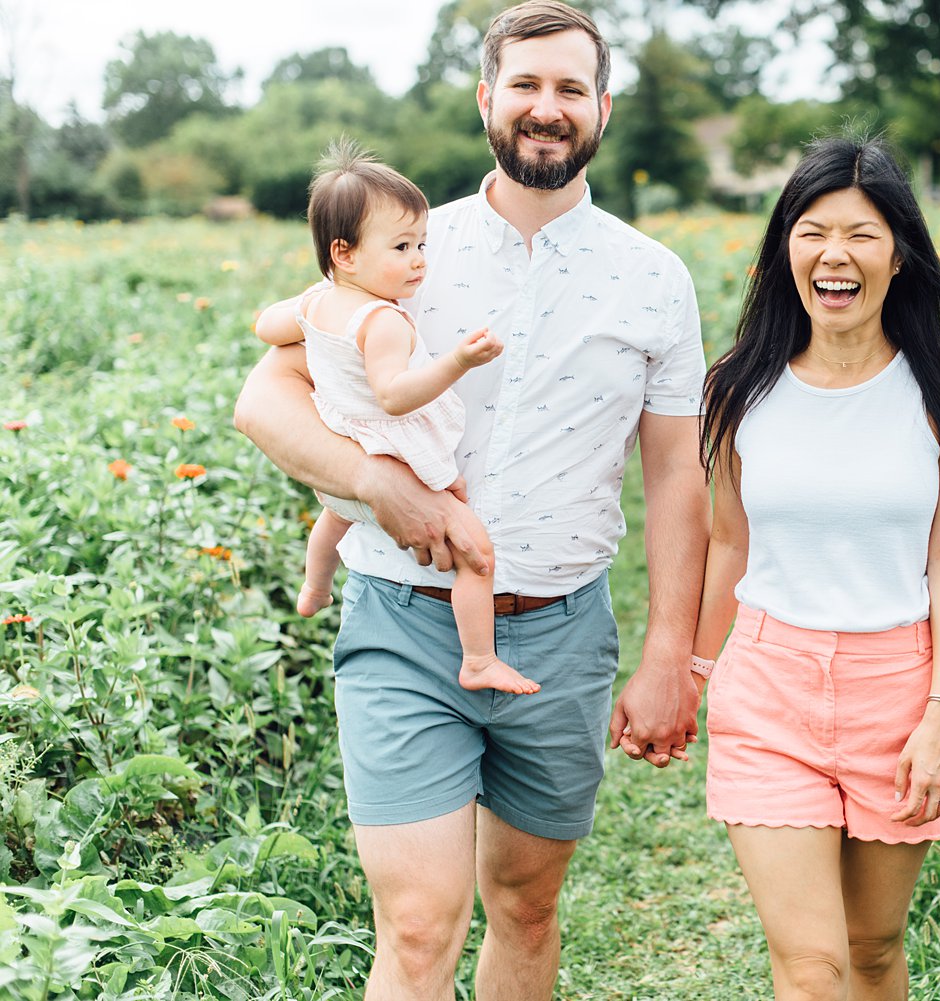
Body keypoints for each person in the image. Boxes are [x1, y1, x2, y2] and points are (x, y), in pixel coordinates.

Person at [233, 1, 709, 996]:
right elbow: (265, 396)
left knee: (527, 905)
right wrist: (373, 484)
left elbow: (676, 471)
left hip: (565, 631)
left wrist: (671, 650)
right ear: (488, 98)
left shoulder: (654, 278)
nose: (548, 107)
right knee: (415, 924)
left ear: (602, 107)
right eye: (526, 85)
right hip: (403, 619)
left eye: (570, 87)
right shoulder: (404, 248)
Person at [691, 135, 940, 1001]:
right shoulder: (737, 385)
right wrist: (692, 672)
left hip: (898, 692)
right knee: (814, 964)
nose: (835, 254)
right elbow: (730, 542)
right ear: (784, 247)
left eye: (861, 234)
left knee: (872, 948)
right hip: (768, 689)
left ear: (899, 254)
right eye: (812, 231)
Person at [253, 141, 537, 695]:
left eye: (422, 245)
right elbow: (394, 396)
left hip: (343, 451)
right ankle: (478, 658)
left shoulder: (316, 303)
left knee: (334, 521)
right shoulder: (383, 320)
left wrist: (299, 317)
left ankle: (314, 589)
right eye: (402, 246)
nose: (418, 262)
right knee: (476, 556)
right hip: (396, 451)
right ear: (346, 253)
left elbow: (266, 326)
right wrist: (458, 359)